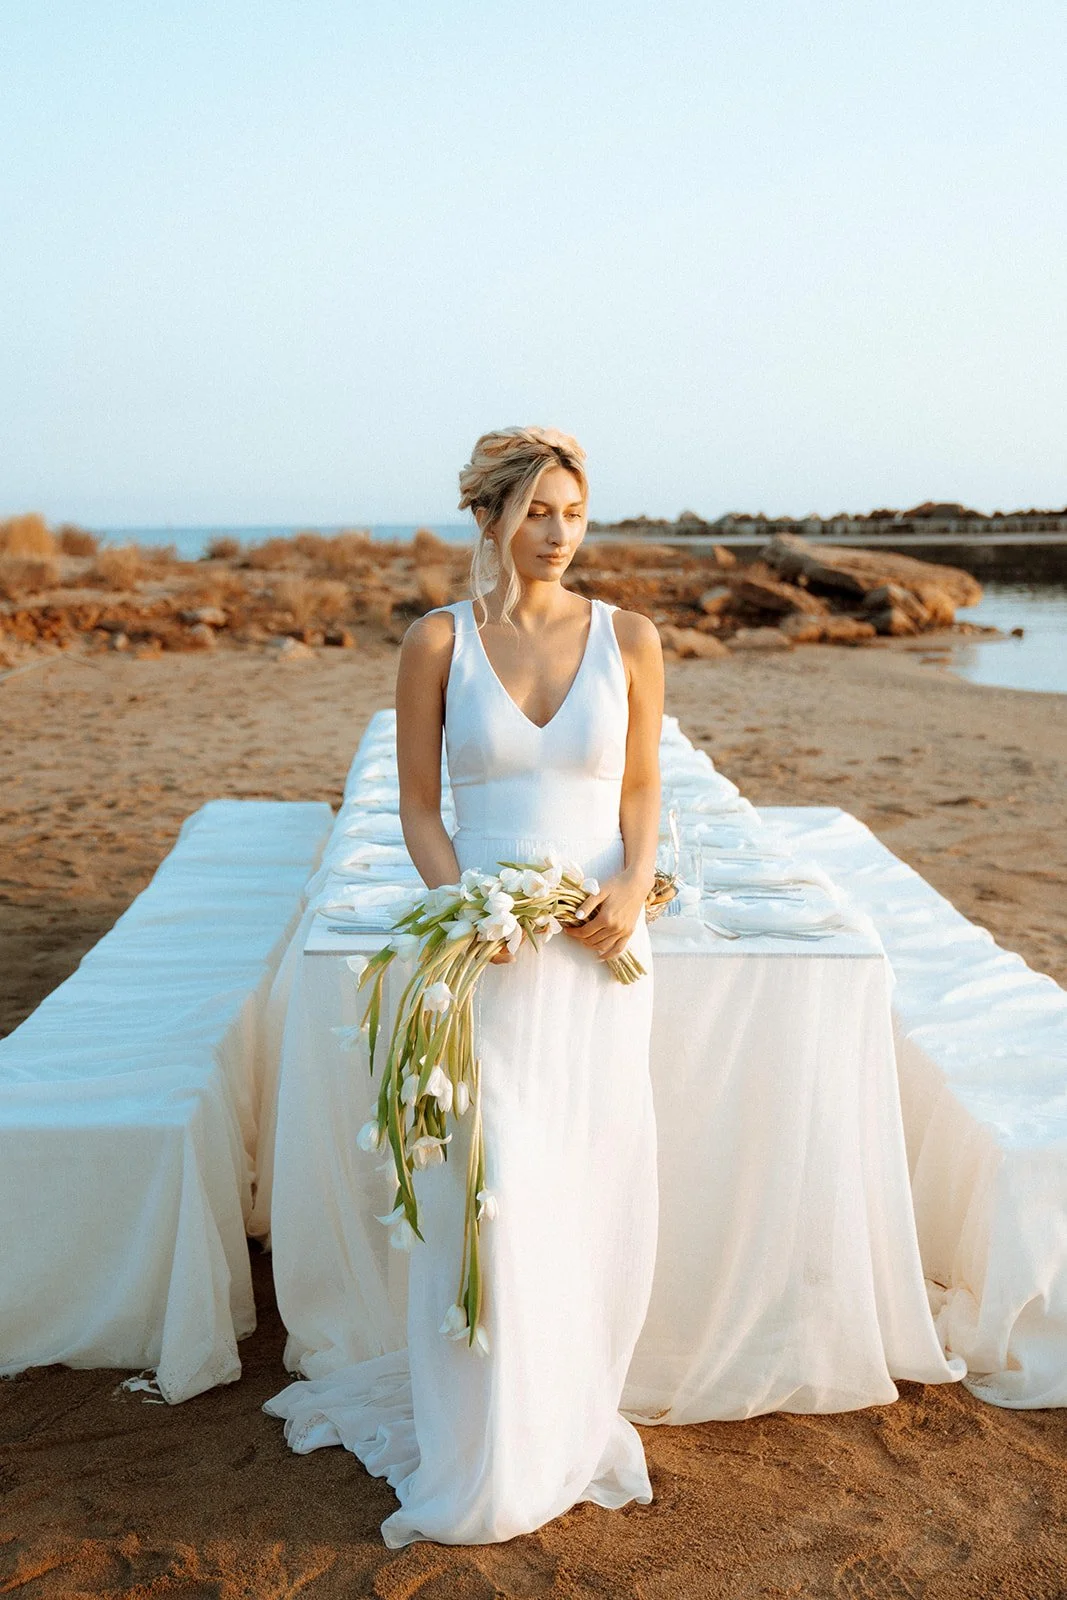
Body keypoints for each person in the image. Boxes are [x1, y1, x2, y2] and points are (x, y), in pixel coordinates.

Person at [266, 426, 664, 1546]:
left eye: (573, 514)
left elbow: (639, 796)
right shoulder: (435, 643)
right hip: (479, 958)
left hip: (596, 957)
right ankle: (484, 1436)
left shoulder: (629, 637)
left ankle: (563, 1417)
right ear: (490, 518)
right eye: (537, 511)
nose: (557, 535)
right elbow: (418, 811)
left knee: (581, 1183)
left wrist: (632, 887)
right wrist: (463, 908)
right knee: (486, 1193)